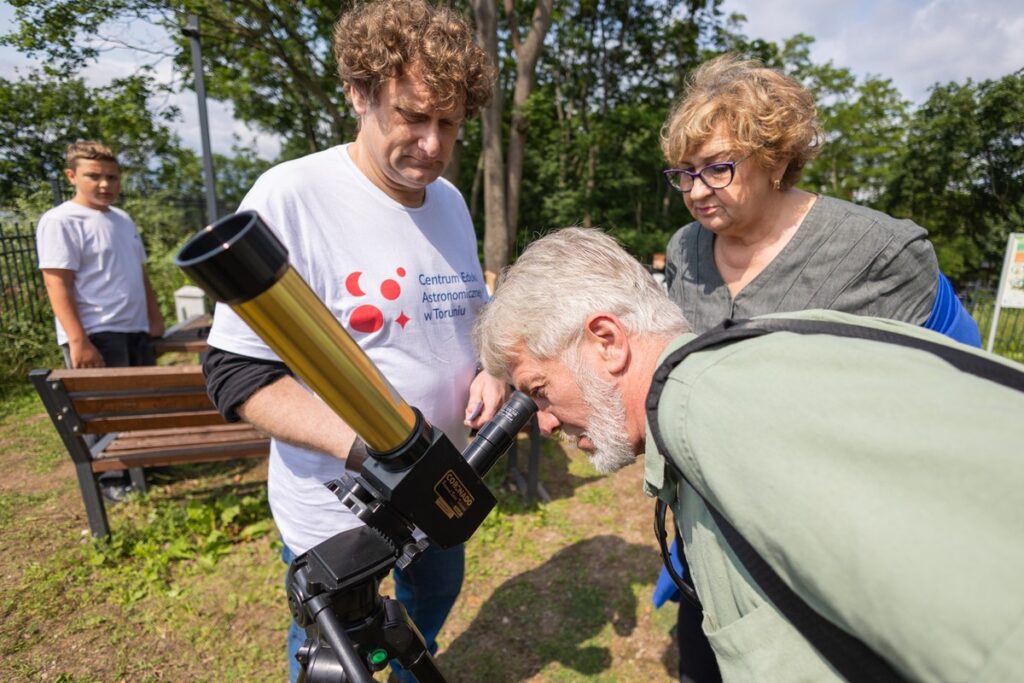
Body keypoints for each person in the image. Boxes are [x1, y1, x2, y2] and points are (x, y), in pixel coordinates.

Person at [473, 227, 1024, 683]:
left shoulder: (721, 410)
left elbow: (990, 624)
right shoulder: (707, 404)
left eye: (540, 390)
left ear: (607, 341)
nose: (545, 422)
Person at [200, 1, 505, 680]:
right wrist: (372, 451)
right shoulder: (291, 196)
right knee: (338, 658)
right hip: (337, 515)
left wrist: (492, 367)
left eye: (449, 123)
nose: (433, 145)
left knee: (431, 603)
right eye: (412, 117)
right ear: (358, 94)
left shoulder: (450, 201)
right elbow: (235, 374)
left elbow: (470, 316)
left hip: (441, 488)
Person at [658, 54, 980, 680]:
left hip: (822, 556)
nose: (695, 191)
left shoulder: (878, 253)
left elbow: (937, 402)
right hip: (710, 536)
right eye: (683, 173)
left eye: (717, 168)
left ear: (776, 158)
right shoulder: (685, 249)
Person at [37, 141, 166, 501]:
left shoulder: (122, 220)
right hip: (96, 331)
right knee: (102, 409)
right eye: (94, 176)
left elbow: (139, 272)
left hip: (134, 327)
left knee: (138, 403)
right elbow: (56, 282)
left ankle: (143, 465)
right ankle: (112, 478)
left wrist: (154, 315)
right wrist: (78, 340)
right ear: (71, 176)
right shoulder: (61, 221)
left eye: (112, 176)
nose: (105, 184)